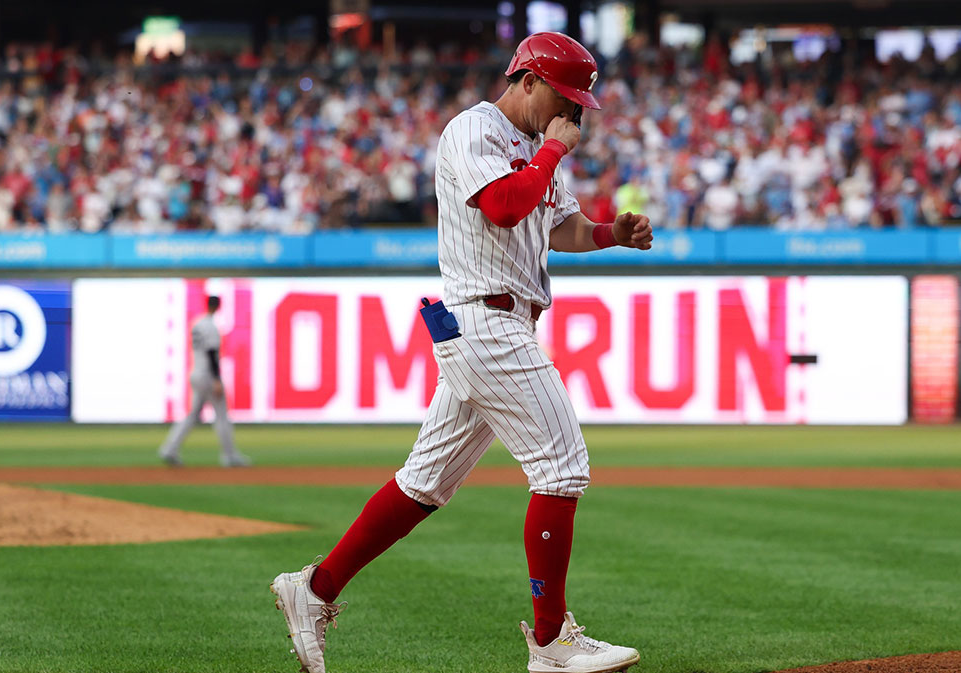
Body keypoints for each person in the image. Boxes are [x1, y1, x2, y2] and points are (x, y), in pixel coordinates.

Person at [270, 32, 653, 673]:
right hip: (486, 321)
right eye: (563, 97)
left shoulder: (537, 148)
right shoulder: (473, 130)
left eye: (578, 102)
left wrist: (614, 232)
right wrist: (555, 150)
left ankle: (313, 590)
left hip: (496, 325)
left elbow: (559, 227)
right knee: (561, 467)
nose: (572, 113)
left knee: (423, 483)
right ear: (526, 80)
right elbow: (503, 207)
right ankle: (553, 640)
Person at [157, 295, 250, 468]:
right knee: (222, 414)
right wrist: (216, 379)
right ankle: (230, 456)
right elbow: (211, 353)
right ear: (218, 307)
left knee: (193, 415)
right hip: (207, 375)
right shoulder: (212, 327)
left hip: (196, 372)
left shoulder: (198, 323)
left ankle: (169, 448)